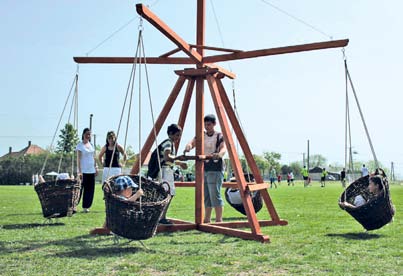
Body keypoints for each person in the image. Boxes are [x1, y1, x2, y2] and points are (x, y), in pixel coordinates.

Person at [184, 114, 227, 223]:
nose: (206, 127)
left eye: (209, 124)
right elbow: (192, 142)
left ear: (214, 124)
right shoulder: (201, 135)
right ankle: (207, 219)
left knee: (214, 193)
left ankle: (218, 220)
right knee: (207, 194)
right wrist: (188, 146)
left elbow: (223, 148)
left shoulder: (219, 135)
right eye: (205, 124)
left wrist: (220, 154)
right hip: (205, 167)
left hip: (216, 167)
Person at [158, 124, 188, 224]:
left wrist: (179, 163)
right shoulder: (168, 143)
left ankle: (160, 216)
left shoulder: (168, 143)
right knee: (169, 193)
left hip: (164, 170)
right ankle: (161, 217)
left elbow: (169, 159)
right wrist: (178, 158)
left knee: (165, 193)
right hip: (165, 171)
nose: (178, 138)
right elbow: (167, 157)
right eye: (177, 135)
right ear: (171, 134)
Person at [76, 128, 98, 213]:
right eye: (87, 134)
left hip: (91, 171)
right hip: (83, 171)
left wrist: (96, 167)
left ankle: (86, 206)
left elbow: (94, 157)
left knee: (90, 189)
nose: (88, 136)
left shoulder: (92, 145)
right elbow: (78, 159)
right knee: (80, 189)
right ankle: (74, 205)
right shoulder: (80, 146)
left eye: (89, 134)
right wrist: (79, 171)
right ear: (83, 134)